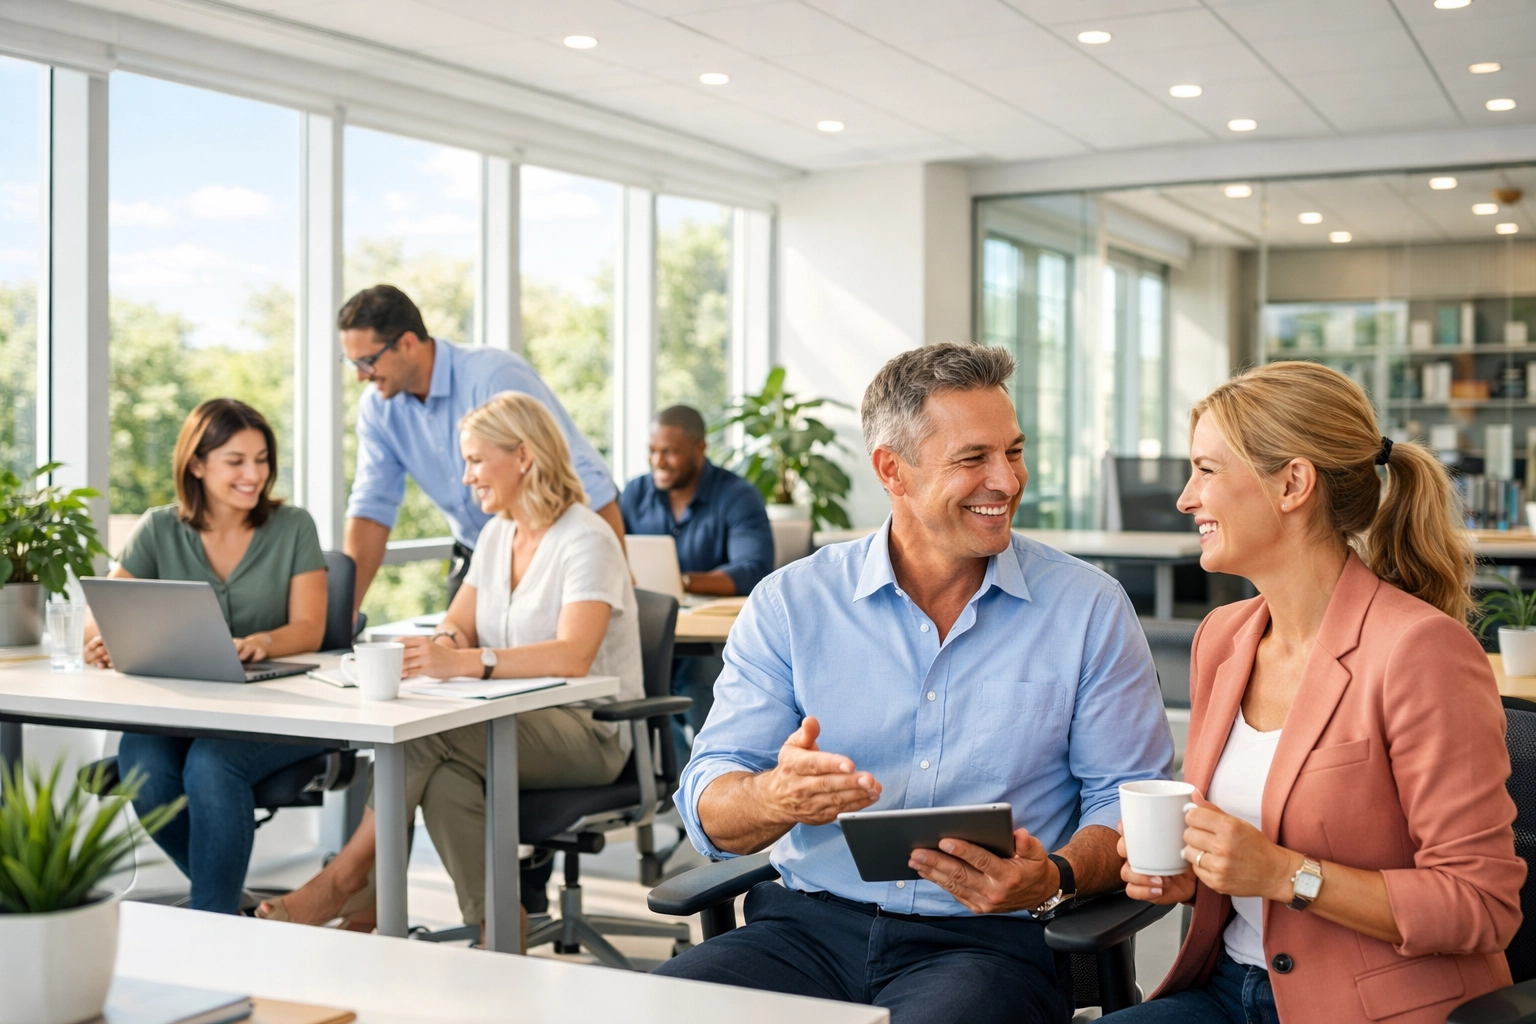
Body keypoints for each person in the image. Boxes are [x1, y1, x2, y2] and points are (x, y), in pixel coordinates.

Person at [653, 343, 1174, 1024]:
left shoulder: (1088, 609)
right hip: (804, 930)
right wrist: (773, 797)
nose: (1007, 481)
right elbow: (711, 795)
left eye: (1012, 452)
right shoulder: (791, 603)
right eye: (972, 459)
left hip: (990, 945)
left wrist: (1057, 875)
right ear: (890, 470)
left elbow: (1124, 799)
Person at [1102, 361, 1523, 1024]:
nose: (1186, 498)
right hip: (1226, 989)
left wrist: (1282, 874)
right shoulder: (1225, 638)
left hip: (1368, 1006)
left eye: (1207, 471)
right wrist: (1193, 876)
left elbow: (1482, 907)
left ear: (1294, 483)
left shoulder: (1421, 651)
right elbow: (1244, 868)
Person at [259, 391, 644, 934]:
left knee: (418, 735)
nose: (466, 477)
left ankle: (347, 880)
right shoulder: (496, 534)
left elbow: (573, 655)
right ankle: (499, 925)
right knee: (444, 783)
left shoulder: (586, 538)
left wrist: (462, 662)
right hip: (512, 724)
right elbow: (457, 621)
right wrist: (439, 644)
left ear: (525, 457)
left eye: (476, 460)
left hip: (589, 731)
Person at [85, 399, 329, 914]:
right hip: (181, 707)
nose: (254, 474)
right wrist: (105, 637)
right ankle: (221, 902)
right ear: (197, 463)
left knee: (212, 766)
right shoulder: (159, 528)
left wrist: (264, 641)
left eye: (261, 459)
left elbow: (311, 627)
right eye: (236, 460)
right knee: (141, 764)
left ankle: (214, 919)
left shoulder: (293, 527)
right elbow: (104, 609)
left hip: (280, 708)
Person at [339, 284, 623, 612]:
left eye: (367, 361)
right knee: (451, 649)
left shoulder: (492, 376)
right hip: (479, 551)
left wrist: (610, 573)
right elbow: (372, 507)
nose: (360, 376)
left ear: (407, 343)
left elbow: (583, 476)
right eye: (352, 363)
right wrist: (342, 617)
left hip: (550, 549)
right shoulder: (378, 408)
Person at [620, 403, 773, 756]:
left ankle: (718, 771)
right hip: (650, 626)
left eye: (670, 452)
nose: (658, 461)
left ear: (699, 448)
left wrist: (683, 582)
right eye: (653, 451)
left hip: (713, 634)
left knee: (700, 679)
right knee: (638, 681)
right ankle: (670, 784)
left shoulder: (737, 496)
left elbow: (753, 569)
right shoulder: (634, 494)